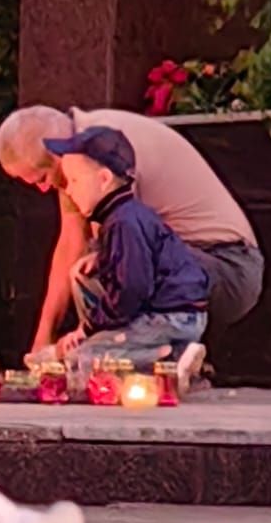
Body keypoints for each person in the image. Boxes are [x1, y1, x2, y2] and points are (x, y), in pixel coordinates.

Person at [0, 103, 262, 357]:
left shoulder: (105, 150)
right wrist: (42, 341)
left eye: (42, 179)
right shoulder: (79, 148)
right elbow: (70, 246)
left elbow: (126, 267)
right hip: (187, 264)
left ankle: (161, 357)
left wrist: (87, 335)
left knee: (109, 264)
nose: (45, 190)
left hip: (229, 267)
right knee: (89, 268)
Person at [42, 127, 210, 384]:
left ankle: (172, 360)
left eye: (74, 181)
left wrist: (86, 330)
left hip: (171, 318)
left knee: (83, 359)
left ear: (104, 179)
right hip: (166, 313)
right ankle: (160, 356)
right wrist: (103, 260)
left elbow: (130, 292)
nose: (69, 191)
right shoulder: (121, 217)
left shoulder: (124, 223)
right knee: (81, 273)